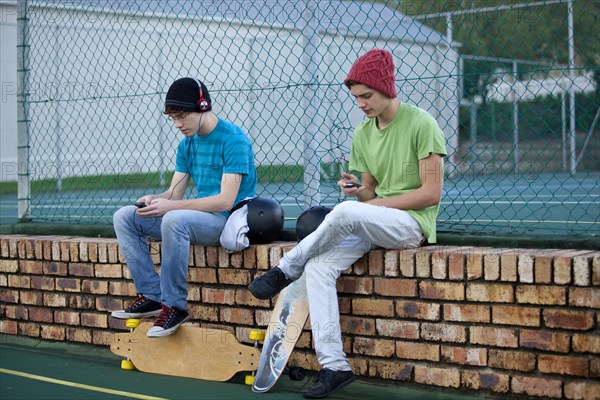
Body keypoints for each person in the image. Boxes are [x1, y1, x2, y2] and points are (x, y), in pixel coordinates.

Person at [248, 49, 446, 398]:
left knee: (341, 213)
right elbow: (369, 195)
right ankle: (334, 365)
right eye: (355, 98)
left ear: (387, 88)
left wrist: (365, 204)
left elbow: (431, 193)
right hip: (374, 222)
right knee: (320, 268)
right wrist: (357, 191)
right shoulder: (362, 134)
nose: (361, 104)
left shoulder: (422, 124)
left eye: (367, 96)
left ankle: (285, 267)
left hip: (412, 226)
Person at [111, 77, 257, 338]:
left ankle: (175, 306)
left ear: (202, 106)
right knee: (124, 217)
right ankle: (152, 296)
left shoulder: (234, 140)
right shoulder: (187, 144)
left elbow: (225, 200)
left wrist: (172, 206)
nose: (177, 124)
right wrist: (155, 199)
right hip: (195, 218)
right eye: (172, 118)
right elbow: (174, 192)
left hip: (225, 220)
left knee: (174, 219)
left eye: (182, 116)